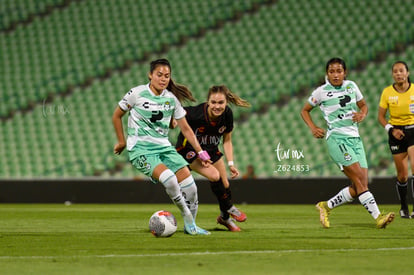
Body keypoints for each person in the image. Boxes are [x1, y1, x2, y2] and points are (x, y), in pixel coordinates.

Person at [112, 58, 211, 235]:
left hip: (164, 149)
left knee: (191, 188)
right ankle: (187, 218)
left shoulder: (171, 99)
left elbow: (186, 128)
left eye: (167, 76)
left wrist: (201, 152)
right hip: (141, 149)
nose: (163, 79)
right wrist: (121, 142)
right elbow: (116, 116)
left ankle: (192, 226)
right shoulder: (137, 93)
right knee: (171, 180)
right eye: (159, 75)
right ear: (150, 75)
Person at [300, 57, 395, 229]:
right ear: (327, 74)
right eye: (331, 71)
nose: (335, 75)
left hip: (355, 139)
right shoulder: (321, 92)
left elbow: (364, 105)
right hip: (337, 139)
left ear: (345, 72)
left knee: (360, 183)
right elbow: (305, 110)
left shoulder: (352, 86)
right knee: (360, 180)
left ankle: (326, 206)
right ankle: (378, 217)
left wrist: (362, 114)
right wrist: (313, 127)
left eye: (339, 71)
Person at [174, 85, 250, 231]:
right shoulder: (195, 114)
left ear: (226, 102)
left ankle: (224, 219)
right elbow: (176, 114)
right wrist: (172, 121)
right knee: (215, 176)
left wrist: (231, 163)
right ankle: (229, 207)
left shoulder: (227, 114)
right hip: (188, 150)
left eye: (221, 103)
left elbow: (227, 140)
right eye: (213, 102)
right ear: (208, 102)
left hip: (210, 150)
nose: (217, 106)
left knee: (225, 184)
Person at [378, 61, 414, 218]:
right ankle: (404, 207)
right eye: (395, 71)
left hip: (413, 130)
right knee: (402, 176)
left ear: (407, 73)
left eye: (401, 71)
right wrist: (391, 130)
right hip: (395, 134)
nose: (398, 74)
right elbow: (380, 116)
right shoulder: (387, 92)